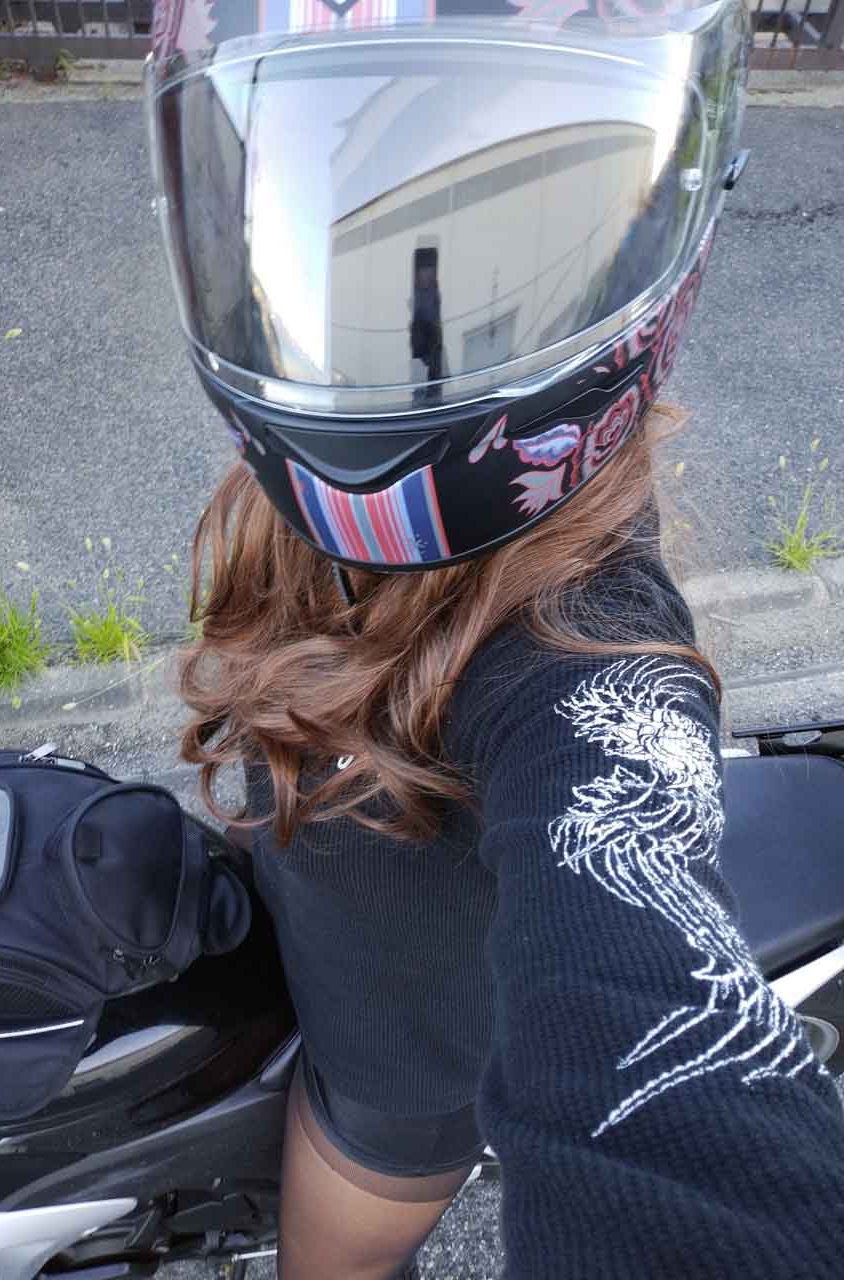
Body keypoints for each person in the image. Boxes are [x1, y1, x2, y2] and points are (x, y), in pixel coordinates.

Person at [145, 2, 844, 1276]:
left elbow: (662, 1054)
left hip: (394, 1085)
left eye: (493, 222)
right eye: (335, 187)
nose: (377, 316)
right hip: (314, 933)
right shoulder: (288, 499)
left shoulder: (590, 655)